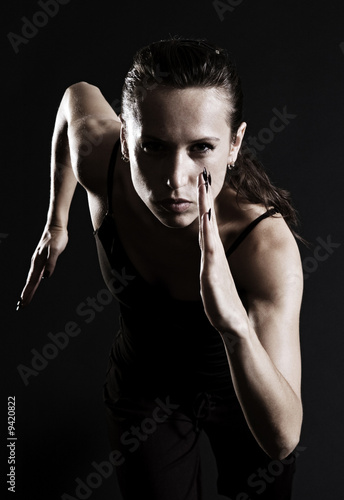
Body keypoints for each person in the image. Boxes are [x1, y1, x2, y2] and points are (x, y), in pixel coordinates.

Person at [18, 38, 304, 499]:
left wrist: (233, 324)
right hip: (144, 386)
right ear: (126, 141)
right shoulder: (102, 163)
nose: (176, 178)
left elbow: (282, 438)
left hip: (244, 393)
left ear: (234, 145)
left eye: (202, 148)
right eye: (153, 146)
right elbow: (75, 98)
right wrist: (56, 222)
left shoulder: (263, 247)